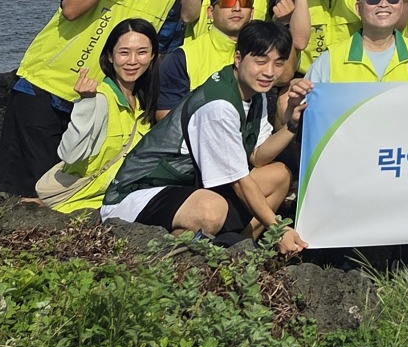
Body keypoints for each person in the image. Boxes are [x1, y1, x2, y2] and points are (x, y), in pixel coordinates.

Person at [0, 0, 192, 198]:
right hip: (46, 85)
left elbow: (160, 48)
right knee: (22, 190)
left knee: (69, 189)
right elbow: (71, 8)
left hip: (98, 98)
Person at [100, 21, 308, 256]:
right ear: (238, 58)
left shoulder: (254, 93)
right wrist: (278, 230)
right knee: (211, 210)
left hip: (188, 188)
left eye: (278, 63)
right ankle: (173, 252)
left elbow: (258, 157)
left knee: (279, 175)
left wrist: (291, 126)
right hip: (140, 192)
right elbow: (238, 181)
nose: (270, 72)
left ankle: (239, 248)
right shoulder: (219, 106)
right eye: (260, 61)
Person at [44, 19, 160, 215]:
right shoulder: (100, 99)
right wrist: (85, 104)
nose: (132, 60)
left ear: (152, 56)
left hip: (121, 200)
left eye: (142, 52)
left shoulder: (143, 101)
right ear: (110, 57)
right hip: (80, 206)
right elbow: (69, 154)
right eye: (124, 52)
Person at [158, 0, 276, 117]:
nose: (237, 8)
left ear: (251, 12)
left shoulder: (266, 53)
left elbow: (284, 77)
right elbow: (165, 115)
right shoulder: (182, 57)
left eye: (245, 2)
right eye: (228, 1)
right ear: (210, 12)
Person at [305, 0, 408, 83]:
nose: (384, 4)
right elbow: (309, 107)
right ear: (358, 8)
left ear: (401, 6)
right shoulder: (330, 59)